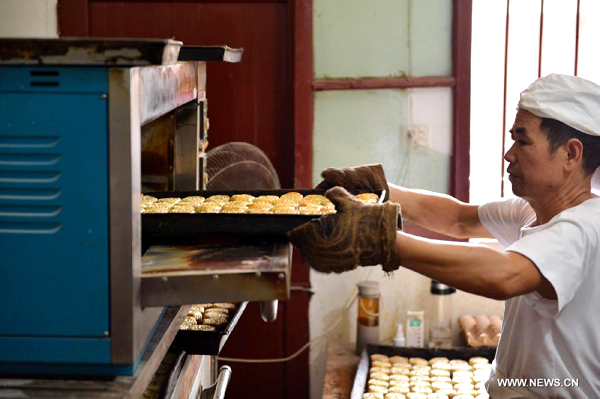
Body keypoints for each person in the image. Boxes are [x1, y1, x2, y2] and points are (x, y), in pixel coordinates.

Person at [288, 74, 600, 398]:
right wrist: (381, 188)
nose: (509, 154)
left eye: (523, 142)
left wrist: (380, 237)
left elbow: (506, 274)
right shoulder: (535, 211)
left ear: (571, 154)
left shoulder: (585, 227)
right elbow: (458, 219)